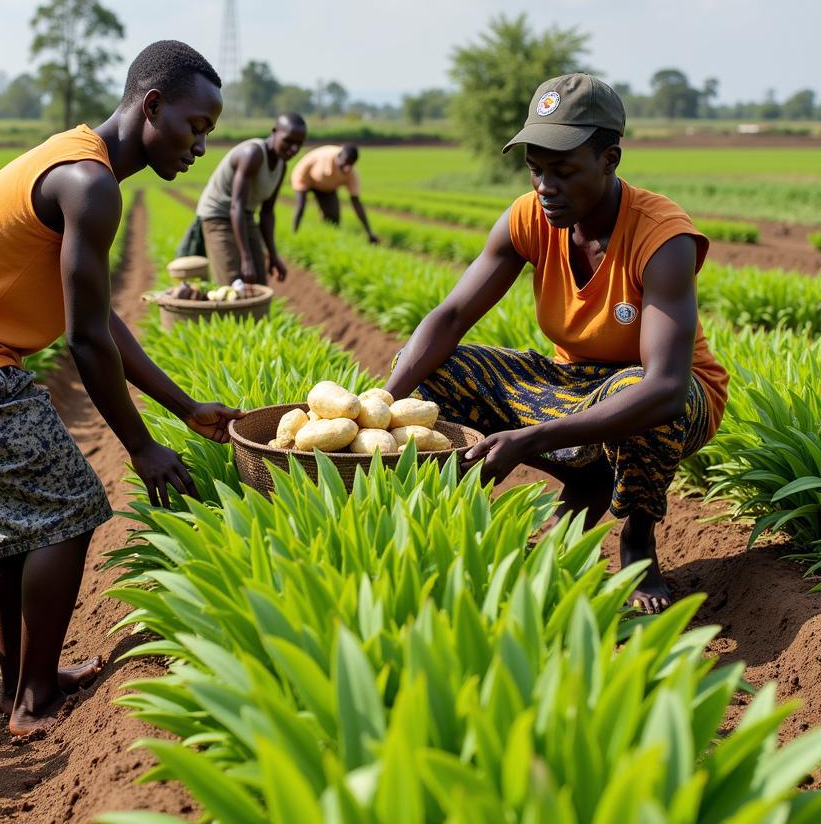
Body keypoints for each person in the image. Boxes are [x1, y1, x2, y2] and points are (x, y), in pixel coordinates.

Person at [0, 40, 244, 736]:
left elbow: (98, 315)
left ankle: (22, 686)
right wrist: (141, 448)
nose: (200, 146)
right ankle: (34, 697)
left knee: (14, 533)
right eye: (196, 127)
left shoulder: (82, 164)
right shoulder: (90, 182)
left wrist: (184, 409)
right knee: (68, 510)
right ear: (151, 104)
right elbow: (86, 341)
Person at [385, 74, 728, 615]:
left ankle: (637, 542)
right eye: (536, 169)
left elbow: (665, 387)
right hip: (575, 387)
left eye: (564, 171)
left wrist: (528, 440)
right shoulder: (529, 216)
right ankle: (576, 480)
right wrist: (379, 406)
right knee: (434, 373)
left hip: (671, 396)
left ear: (610, 159)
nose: (545, 186)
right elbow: (451, 316)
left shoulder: (662, 236)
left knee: (643, 394)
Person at [195, 113, 306, 284]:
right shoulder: (252, 154)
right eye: (288, 141)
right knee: (233, 281)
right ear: (275, 132)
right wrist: (246, 259)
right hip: (217, 215)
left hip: (244, 215)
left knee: (259, 279)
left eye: (298, 145)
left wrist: (273, 255)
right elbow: (236, 206)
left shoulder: (281, 166)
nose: (293, 149)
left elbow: (267, 213)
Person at [290, 143, 379, 243]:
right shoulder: (325, 158)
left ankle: (326, 239)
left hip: (326, 186)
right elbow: (307, 173)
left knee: (334, 218)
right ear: (339, 157)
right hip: (304, 177)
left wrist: (369, 232)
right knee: (300, 206)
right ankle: (294, 232)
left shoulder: (351, 173)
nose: (347, 168)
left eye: (351, 164)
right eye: (345, 163)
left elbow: (356, 202)